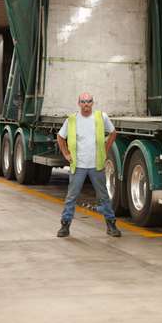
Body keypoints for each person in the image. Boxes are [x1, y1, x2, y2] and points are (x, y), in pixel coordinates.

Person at [56, 92, 121, 238]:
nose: (86, 104)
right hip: (78, 166)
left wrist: (105, 149)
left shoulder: (101, 117)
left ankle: (111, 225)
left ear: (93, 103)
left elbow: (113, 133)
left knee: (103, 196)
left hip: (96, 165)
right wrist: (66, 154)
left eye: (89, 101)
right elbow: (60, 137)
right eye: (83, 102)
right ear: (78, 103)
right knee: (71, 196)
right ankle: (65, 225)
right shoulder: (72, 120)